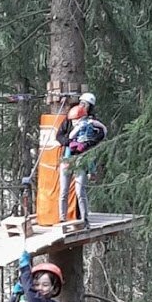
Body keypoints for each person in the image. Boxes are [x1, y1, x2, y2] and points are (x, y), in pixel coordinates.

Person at [57, 92, 107, 228]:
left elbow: (101, 134)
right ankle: (62, 219)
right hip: (68, 157)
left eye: (86, 104)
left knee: (80, 191)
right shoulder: (70, 117)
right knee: (64, 190)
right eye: (82, 103)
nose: (83, 106)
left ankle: (84, 218)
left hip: (82, 158)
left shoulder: (91, 121)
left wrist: (86, 144)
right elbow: (59, 136)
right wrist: (69, 143)